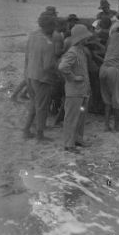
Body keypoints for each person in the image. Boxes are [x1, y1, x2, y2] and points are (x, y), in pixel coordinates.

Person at [23, 13, 58, 142]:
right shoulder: (48, 43)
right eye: (53, 26)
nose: (54, 29)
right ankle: (40, 135)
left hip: (30, 75)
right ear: (48, 26)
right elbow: (48, 66)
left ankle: (26, 130)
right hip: (42, 79)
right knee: (42, 107)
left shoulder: (33, 36)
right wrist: (58, 71)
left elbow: (27, 55)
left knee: (34, 104)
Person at [58, 24, 93, 151]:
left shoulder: (80, 50)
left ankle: (78, 139)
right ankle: (69, 144)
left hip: (82, 91)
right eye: (85, 37)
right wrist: (73, 77)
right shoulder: (73, 52)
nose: (87, 38)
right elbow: (62, 67)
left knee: (81, 117)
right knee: (72, 118)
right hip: (74, 92)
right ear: (81, 38)